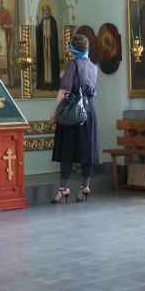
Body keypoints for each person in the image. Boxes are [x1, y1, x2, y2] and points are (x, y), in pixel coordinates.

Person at [50, 33, 99, 203]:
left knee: (67, 150)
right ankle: (85, 187)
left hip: (72, 111)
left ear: (73, 49)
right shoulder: (93, 66)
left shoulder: (73, 64)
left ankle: (63, 189)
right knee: (87, 150)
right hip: (89, 111)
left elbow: (64, 90)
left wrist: (55, 112)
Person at [36, 5, 61, 90]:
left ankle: (52, 85)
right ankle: (43, 84)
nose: (45, 12)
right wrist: (37, 26)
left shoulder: (53, 21)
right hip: (43, 47)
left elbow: (54, 34)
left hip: (51, 47)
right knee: (43, 64)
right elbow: (38, 32)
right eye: (44, 11)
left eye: (46, 10)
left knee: (51, 65)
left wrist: (50, 39)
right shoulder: (42, 21)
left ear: (49, 11)